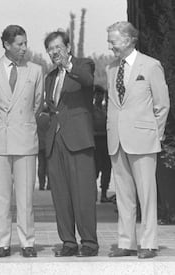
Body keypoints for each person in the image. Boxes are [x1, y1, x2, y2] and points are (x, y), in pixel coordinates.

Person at [106, 21, 170, 259]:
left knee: (147, 194)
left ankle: (149, 243)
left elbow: (162, 105)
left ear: (129, 39)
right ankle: (127, 243)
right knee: (123, 195)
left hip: (143, 139)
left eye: (113, 40)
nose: (110, 45)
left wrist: (155, 133)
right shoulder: (111, 68)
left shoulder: (151, 66)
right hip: (117, 140)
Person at [0, 25, 43, 258]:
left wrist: (22, 123)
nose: (24, 48)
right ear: (6, 45)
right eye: (19, 44)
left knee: (26, 196)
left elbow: (37, 105)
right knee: (1, 196)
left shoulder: (36, 71)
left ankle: (28, 242)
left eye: (26, 43)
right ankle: (3, 243)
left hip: (25, 138)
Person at [44, 30, 98, 257]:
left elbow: (87, 80)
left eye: (58, 47)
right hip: (55, 142)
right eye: (50, 49)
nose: (54, 52)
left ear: (68, 47)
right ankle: (68, 241)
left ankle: (89, 243)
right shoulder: (49, 77)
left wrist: (68, 65)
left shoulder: (84, 65)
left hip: (79, 140)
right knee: (61, 195)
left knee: (83, 193)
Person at [92, 85, 112, 203]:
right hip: (96, 141)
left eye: (101, 94)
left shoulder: (106, 109)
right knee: (95, 169)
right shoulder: (91, 109)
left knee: (106, 168)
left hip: (106, 141)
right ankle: (92, 194)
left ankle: (104, 194)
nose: (99, 97)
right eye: (97, 94)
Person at [36, 111, 50, 190]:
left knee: (41, 165)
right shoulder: (49, 119)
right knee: (49, 165)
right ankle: (49, 184)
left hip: (40, 144)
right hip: (48, 144)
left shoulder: (37, 119)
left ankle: (41, 184)